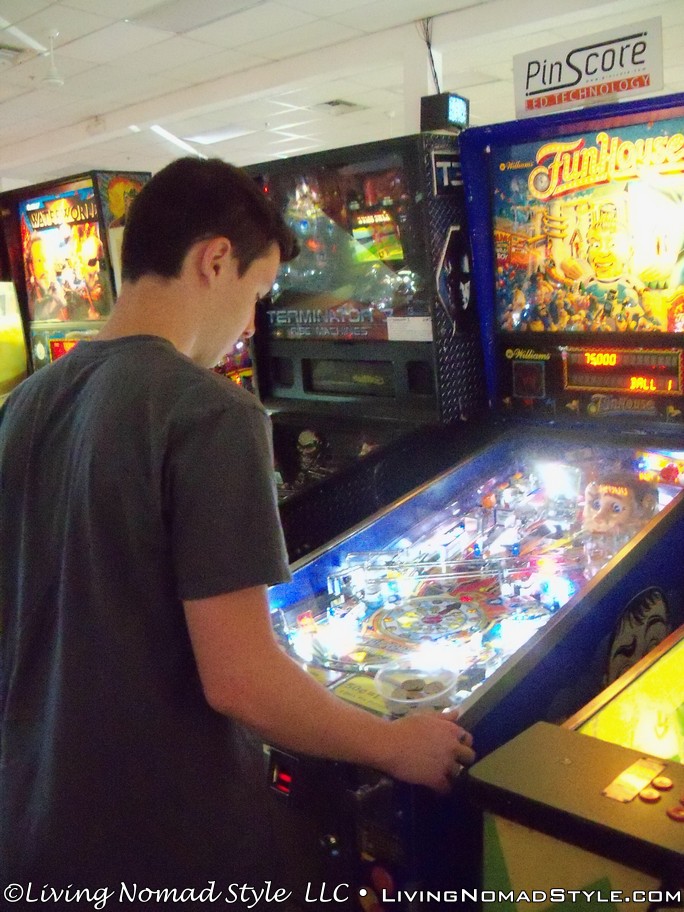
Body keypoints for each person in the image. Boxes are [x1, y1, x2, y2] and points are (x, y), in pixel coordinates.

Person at [0, 157, 474, 908]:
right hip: (165, 847)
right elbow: (241, 677)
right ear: (215, 260)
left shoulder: (23, 407)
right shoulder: (209, 412)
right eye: (256, 294)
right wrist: (394, 743)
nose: (250, 326)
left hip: (31, 832)